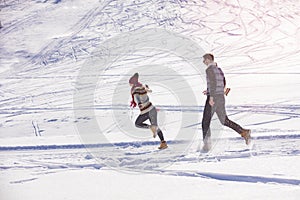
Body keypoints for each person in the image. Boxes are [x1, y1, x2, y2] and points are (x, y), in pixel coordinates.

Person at [201, 53, 251, 152]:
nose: (203, 62)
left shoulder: (209, 69)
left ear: (208, 59)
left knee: (205, 122)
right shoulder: (218, 69)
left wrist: (211, 96)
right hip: (220, 97)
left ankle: (207, 145)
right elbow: (223, 82)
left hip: (214, 98)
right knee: (224, 120)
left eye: (204, 60)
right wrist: (214, 91)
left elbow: (213, 82)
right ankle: (244, 132)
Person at [129, 73, 168, 150]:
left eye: (130, 83)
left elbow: (137, 97)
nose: (129, 85)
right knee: (156, 127)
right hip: (152, 109)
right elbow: (149, 91)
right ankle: (163, 143)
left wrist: (139, 103)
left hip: (146, 111)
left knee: (137, 124)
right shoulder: (142, 86)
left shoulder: (135, 89)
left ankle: (150, 127)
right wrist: (147, 88)